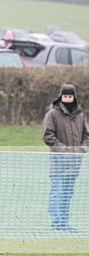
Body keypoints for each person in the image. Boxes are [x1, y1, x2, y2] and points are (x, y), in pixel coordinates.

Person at [42, 84, 89, 232]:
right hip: (58, 163)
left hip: (75, 163)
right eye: (65, 97)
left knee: (68, 193)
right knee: (57, 191)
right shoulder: (52, 114)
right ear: (60, 97)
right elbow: (48, 136)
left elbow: (86, 136)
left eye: (70, 97)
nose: (67, 99)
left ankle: (64, 222)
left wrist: (81, 149)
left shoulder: (80, 115)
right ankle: (56, 222)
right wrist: (65, 150)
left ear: (74, 97)